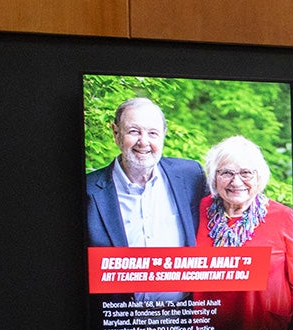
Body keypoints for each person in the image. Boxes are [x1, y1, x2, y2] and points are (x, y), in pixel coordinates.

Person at [195, 136, 293, 330]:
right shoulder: (196, 211)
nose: (236, 181)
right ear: (214, 177)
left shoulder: (283, 217)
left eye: (246, 173)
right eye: (226, 173)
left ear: (259, 177)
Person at [85, 96, 207, 250]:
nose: (143, 142)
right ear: (116, 134)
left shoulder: (190, 176)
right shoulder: (88, 190)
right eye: (134, 131)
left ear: (163, 134)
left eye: (152, 133)